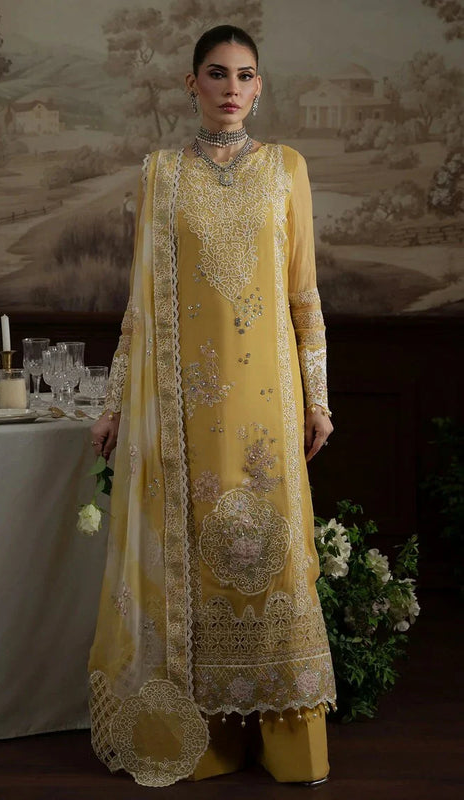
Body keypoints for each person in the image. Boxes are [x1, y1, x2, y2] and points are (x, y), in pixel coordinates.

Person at [88, 25, 336, 788]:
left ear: (259, 86)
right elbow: (139, 302)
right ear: (191, 84)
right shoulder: (160, 174)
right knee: (193, 563)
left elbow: (303, 293)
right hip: (185, 413)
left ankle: (290, 745)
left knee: (270, 559)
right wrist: (115, 403)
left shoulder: (285, 168)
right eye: (217, 73)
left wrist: (319, 399)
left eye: (245, 75)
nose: (231, 88)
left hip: (268, 406)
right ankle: (203, 741)